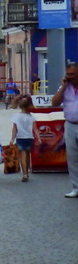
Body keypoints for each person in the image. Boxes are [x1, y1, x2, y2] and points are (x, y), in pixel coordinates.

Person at [49, 62, 78, 198]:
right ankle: (76, 187)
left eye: (72, 74)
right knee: (72, 158)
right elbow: (54, 103)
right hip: (70, 124)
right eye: (68, 74)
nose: (70, 77)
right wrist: (63, 87)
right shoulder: (65, 87)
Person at [9, 95, 34, 183]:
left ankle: (25, 173)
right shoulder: (31, 116)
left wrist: (12, 139)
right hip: (30, 138)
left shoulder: (16, 116)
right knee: (28, 155)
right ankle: (27, 170)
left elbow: (14, 128)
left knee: (22, 155)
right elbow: (35, 128)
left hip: (20, 137)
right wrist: (38, 138)